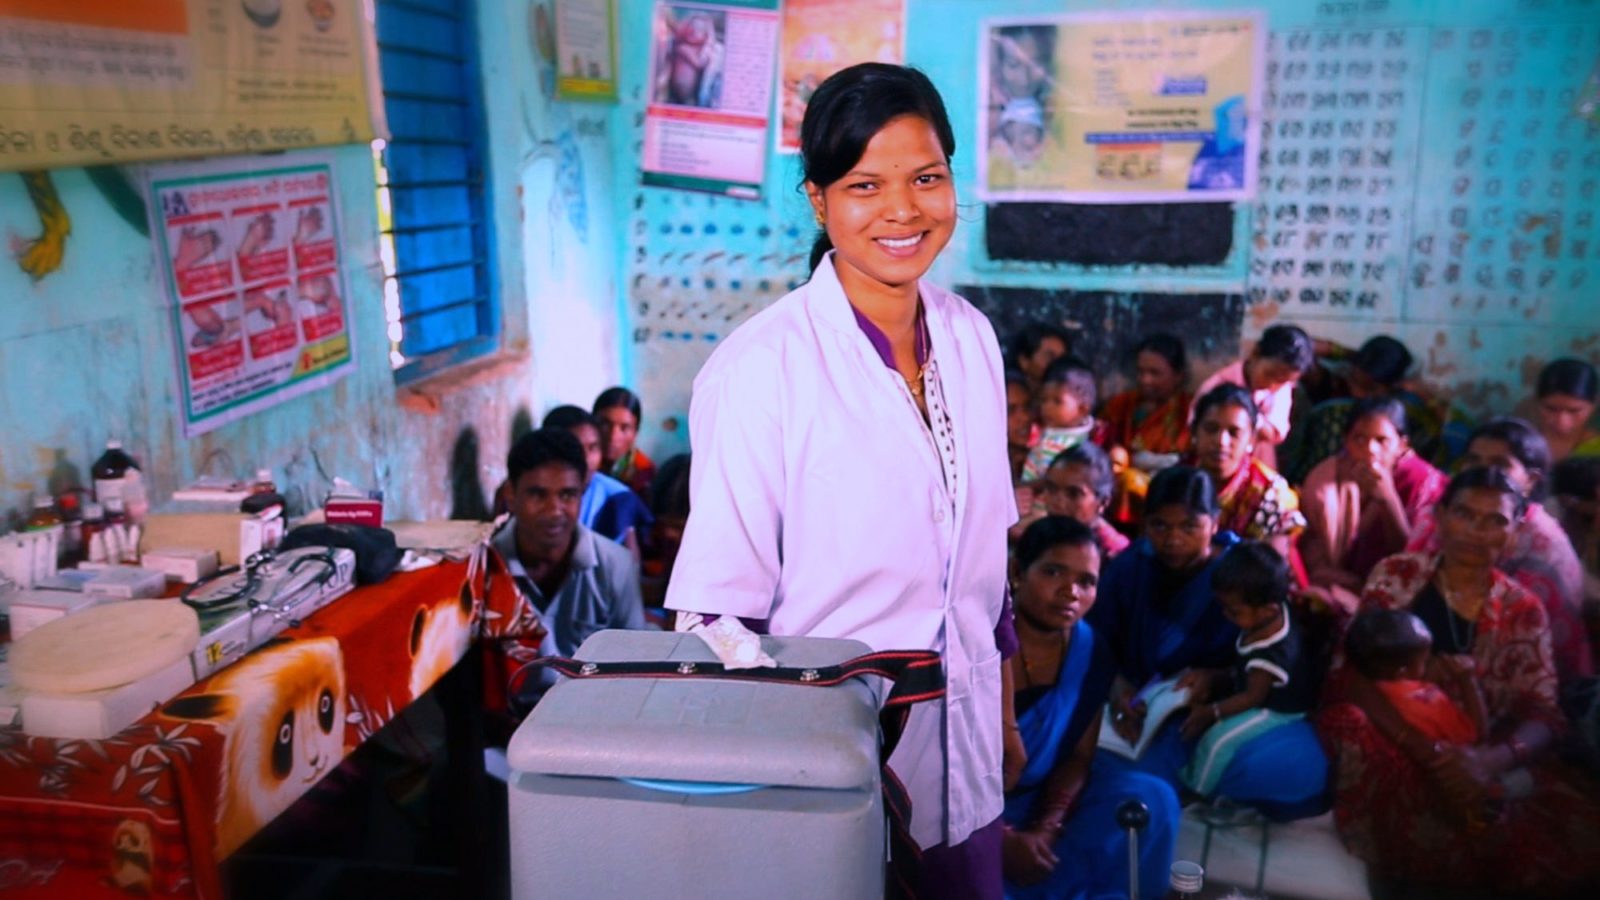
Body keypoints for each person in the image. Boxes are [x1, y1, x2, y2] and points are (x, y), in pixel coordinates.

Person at [664, 64, 1017, 898]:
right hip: (825, 771)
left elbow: (987, 566)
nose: (903, 210)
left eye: (927, 178)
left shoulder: (973, 341)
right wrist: (769, 779)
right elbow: (715, 617)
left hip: (967, 758)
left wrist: (1000, 716)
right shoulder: (760, 369)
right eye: (866, 185)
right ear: (819, 201)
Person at [1317, 467, 1600, 896]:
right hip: (1392, 733)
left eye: (1495, 521)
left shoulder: (1522, 608)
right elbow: (1352, 673)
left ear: (1515, 531)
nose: (1476, 531)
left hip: (1476, 747)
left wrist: (1489, 760)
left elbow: (1544, 714)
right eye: (1465, 515)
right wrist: (1425, 749)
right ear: (1442, 515)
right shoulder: (1397, 576)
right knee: (1352, 725)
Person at [1088, 466, 1328, 817]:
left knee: (1295, 766)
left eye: (1189, 527)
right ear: (1144, 525)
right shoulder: (1131, 567)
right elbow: (1097, 638)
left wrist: (1216, 678)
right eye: (1159, 526)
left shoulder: (1245, 574)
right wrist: (1118, 687)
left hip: (1219, 707)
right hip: (1141, 706)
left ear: (1214, 523)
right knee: (1102, 770)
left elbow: (1270, 653)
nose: (1173, 540)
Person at [1001, 517, 1178, 899]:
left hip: (1041, 798)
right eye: (1053, 572)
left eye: (1087, 581)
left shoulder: (1091, 650)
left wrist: (1047, 826)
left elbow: (1079, 756)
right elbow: (933, 771)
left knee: (1153, 798)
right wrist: (1001, 840)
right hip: (967, 816)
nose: (1071, 592)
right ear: (1017, 570)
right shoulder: (978, 645)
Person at [1407, 418, 1592, 680]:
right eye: (1473, 460)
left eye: (1500, 464)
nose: (1484, 473)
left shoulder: (1544, 548)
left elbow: (1531, 665)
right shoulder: (1437, 513)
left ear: (1530, 480)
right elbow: (1406, 582)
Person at [491, 428, 646, 701]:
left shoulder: (615, 566)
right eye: (538, 495)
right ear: (510, 495)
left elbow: (635, 670)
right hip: (508, 726)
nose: (554, 511)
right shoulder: (484, 568)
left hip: (590, 721)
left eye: (567, 495)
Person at [1178, 542, 1318, 795]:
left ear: (1268, 610)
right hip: (1255, 684)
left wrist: (1212, 712)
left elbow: (1254, 697)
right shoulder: (1273, 607)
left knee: (1217, 741)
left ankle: (1195, 789)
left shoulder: (1270, 654)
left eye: (1234, 611)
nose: (1225, 615)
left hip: (1278, 708)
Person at [1301, 397, 1446, 596]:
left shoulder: (1422, 484)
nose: (1370, 449)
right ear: (1346, 441)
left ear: (1402, 445)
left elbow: (1412, 564)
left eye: (1382, 441)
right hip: (1335, 585)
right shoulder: (1328, 478)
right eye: (1359, 439)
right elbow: (1310, 545)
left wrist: (1388, 500)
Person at [1190, 385, 1306, 562]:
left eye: (1234, 433)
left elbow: (1273, 568)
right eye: (1211, 429)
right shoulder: (1176, 480)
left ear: (1251, 439)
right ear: (1195, 432)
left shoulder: (1272, 495)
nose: (1221, 442)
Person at [1342, 609, 1485, 748]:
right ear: (1402, 672)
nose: (1432, 660)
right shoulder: (1429, 706)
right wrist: (1467, 679)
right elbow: (1477, 735)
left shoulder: (1374, 680)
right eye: (1425, 660)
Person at [1100, 334, 1192, 530]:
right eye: (1141, 372)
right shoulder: (1120, 406)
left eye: (1155, 373)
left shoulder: (1189, 411)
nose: (1145, 380)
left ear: (1178, 376)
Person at [1190, 324, 1314, 467]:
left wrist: (1252, 416)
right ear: (1255, 353)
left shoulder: (1281, 387)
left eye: (1282, 381)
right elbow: (1195, 433)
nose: (1272, 384)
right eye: (1269, 374)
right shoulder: (1216, 387)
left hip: (1257, 464)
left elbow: (1275, 434)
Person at [543, 405, 653, 559]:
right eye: (575, 448)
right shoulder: (526, 491)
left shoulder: (618, 499)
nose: (586, 459)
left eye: (593, 448)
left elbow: (628, 572)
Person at [1035, 442, 1130, 559]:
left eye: (1073, 494)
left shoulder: (1118, 556)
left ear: (1103, 502)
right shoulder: (1037, 539)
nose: (1058, 502)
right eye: (1052, 489)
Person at [1020, 356, 1100, 486]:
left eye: (1057, 401)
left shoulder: (1090, 440)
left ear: (1083, 409)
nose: (1047, 408)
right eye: (1044, 400)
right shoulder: (1046, 436)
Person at [593, 387, 656, 504]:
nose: (613, 436)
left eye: (624, 428)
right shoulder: (582, 463)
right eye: (605, 424)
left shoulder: (644, 472)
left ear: (635, 432)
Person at [1531, 358, 1600, 462]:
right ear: (1537, 401)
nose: (1561, 421)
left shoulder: (1597, 449)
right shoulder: (1519, 447)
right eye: (1550, 408)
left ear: (1594, 404)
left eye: (1574, 411)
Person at [1008, 323, 1071, 395]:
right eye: (1050, 357)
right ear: (1024, 361)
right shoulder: (1006, 393)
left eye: (1062, 359)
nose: (1058, 363)